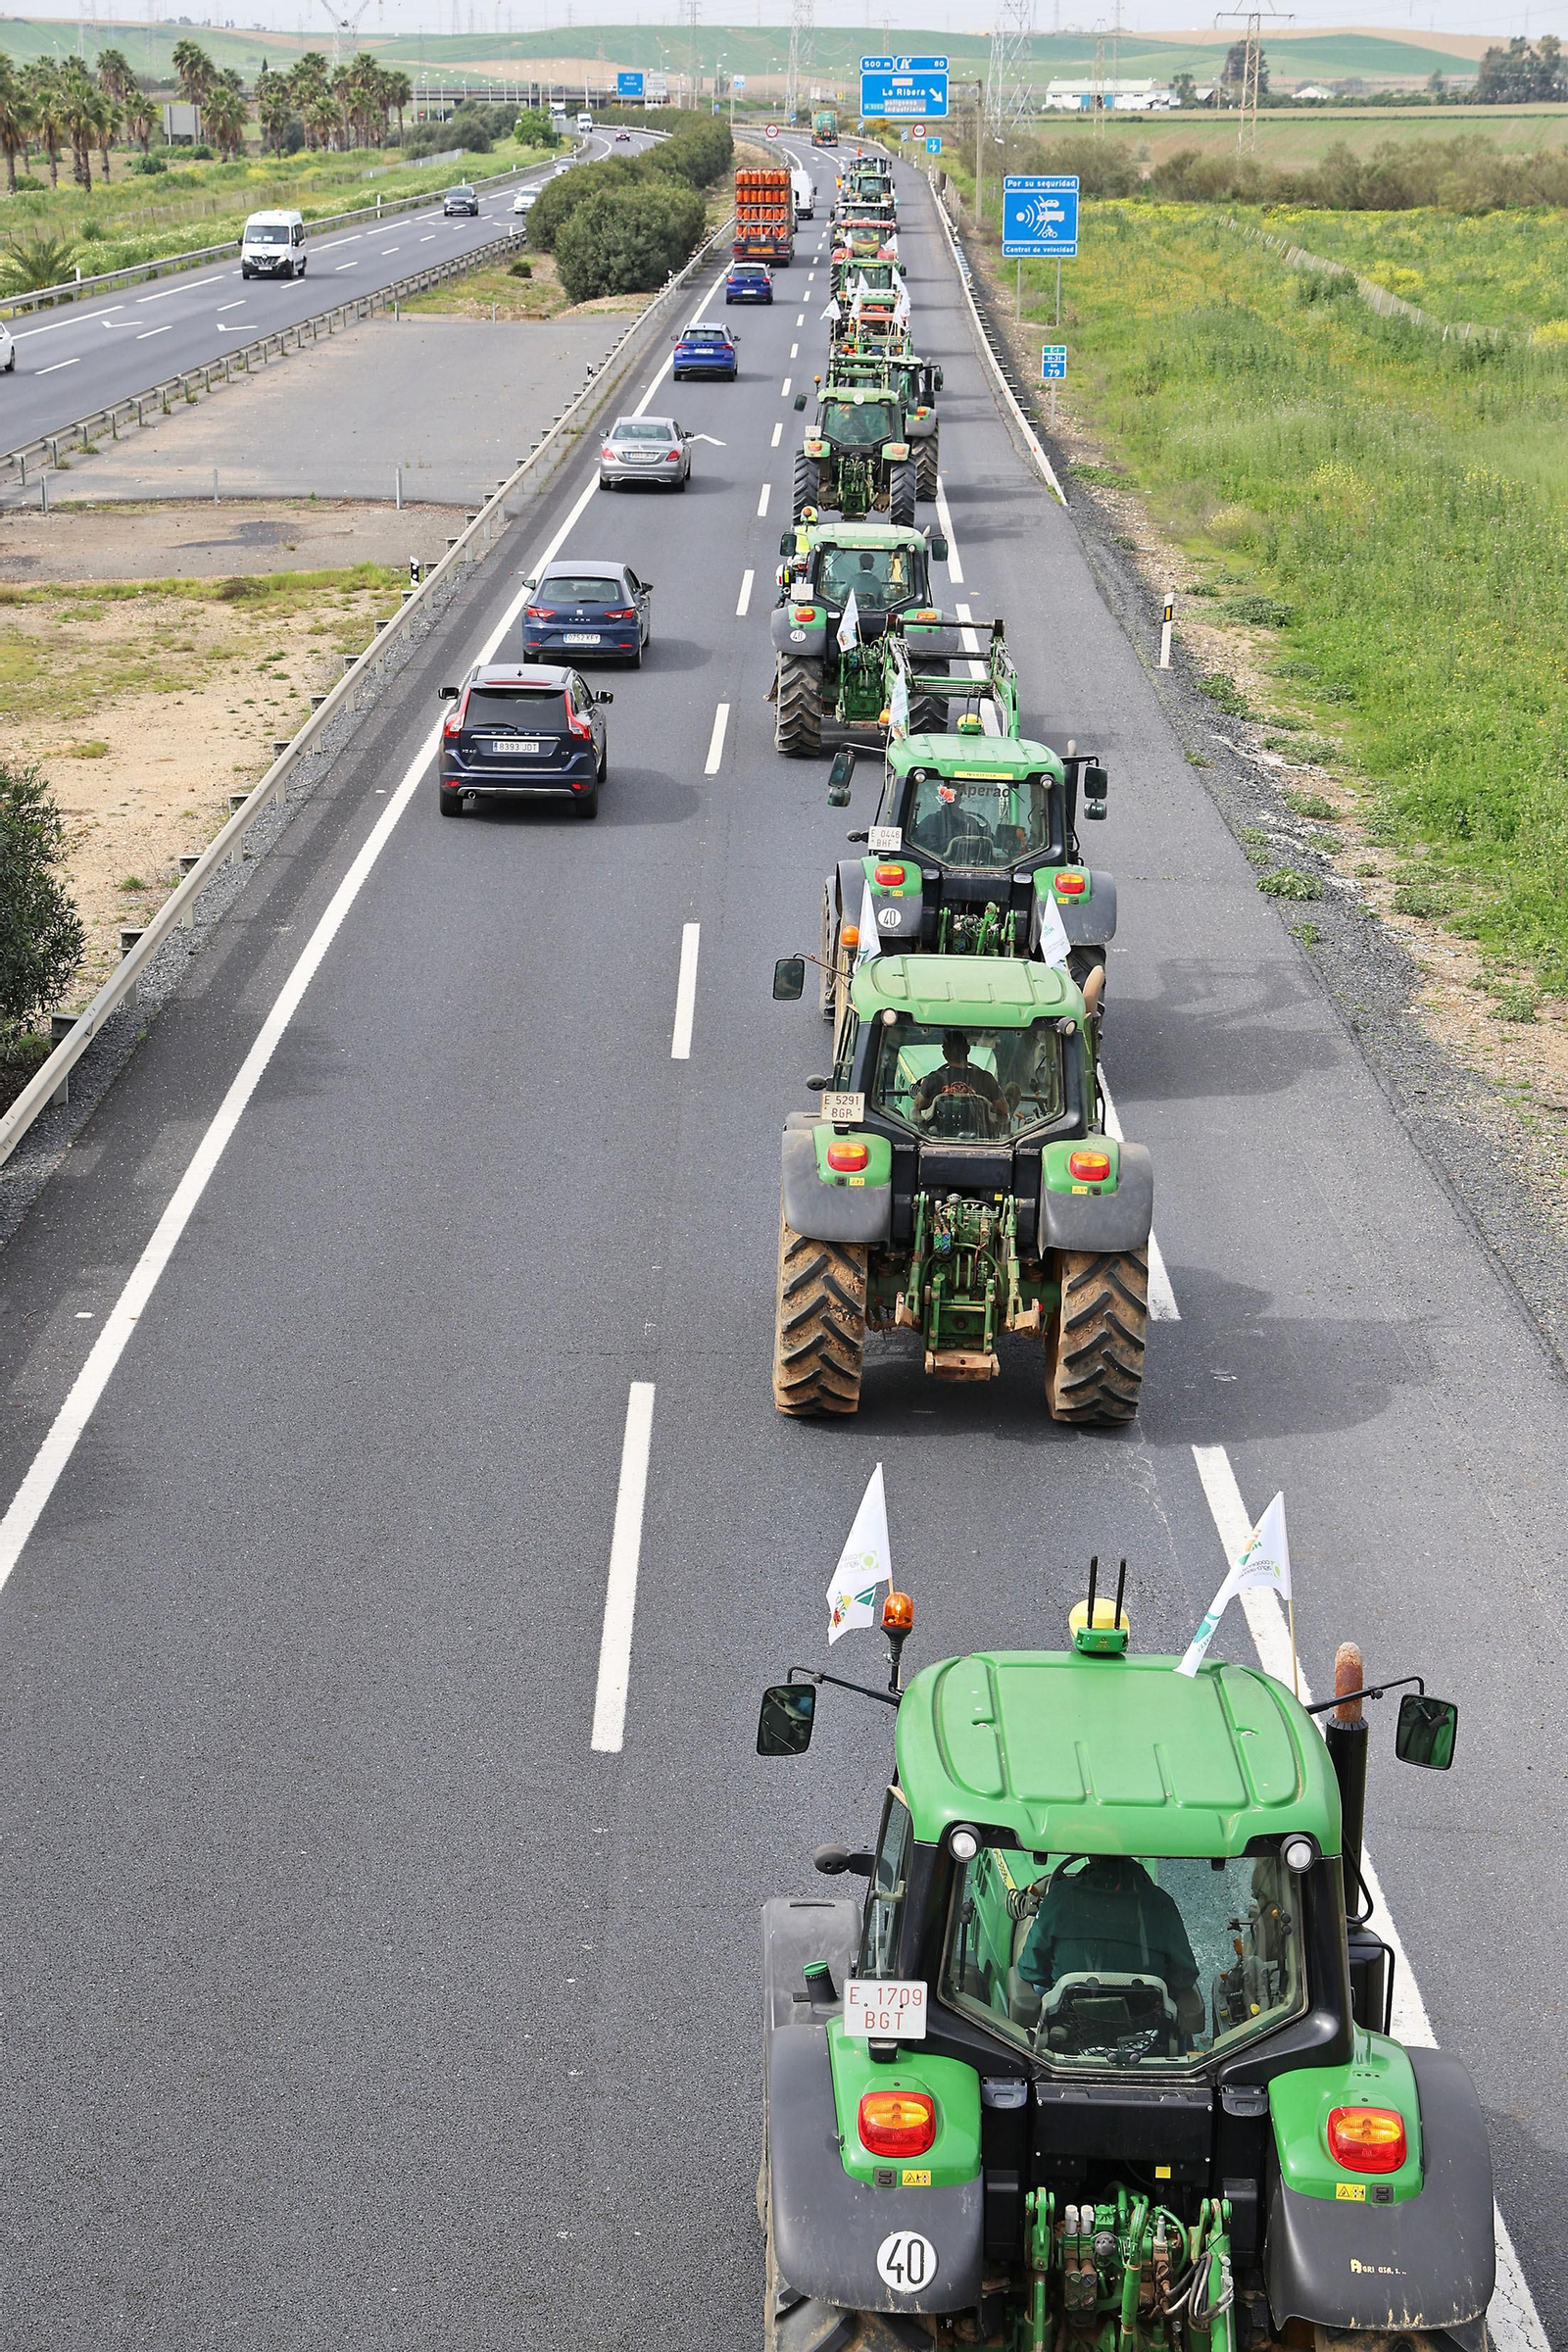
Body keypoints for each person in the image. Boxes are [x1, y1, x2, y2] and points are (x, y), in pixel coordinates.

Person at [1018, 1856, 1204, 2039]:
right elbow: (1184, 1975)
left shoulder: (1060, 1896)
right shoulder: (1160, 1902)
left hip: (1069, 2028)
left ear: (1090, 1856)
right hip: (1147, 2031)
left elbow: (1031, 1969)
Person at [910, 1033, 1006, 1131]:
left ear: (945, 1054)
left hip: (939, 1136)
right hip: (980, 1136)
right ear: (968, 1050)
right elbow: (1003, 1109)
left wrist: (924, 1088)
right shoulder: (986, 1079)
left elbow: (918, 1105)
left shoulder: (933, 1079)